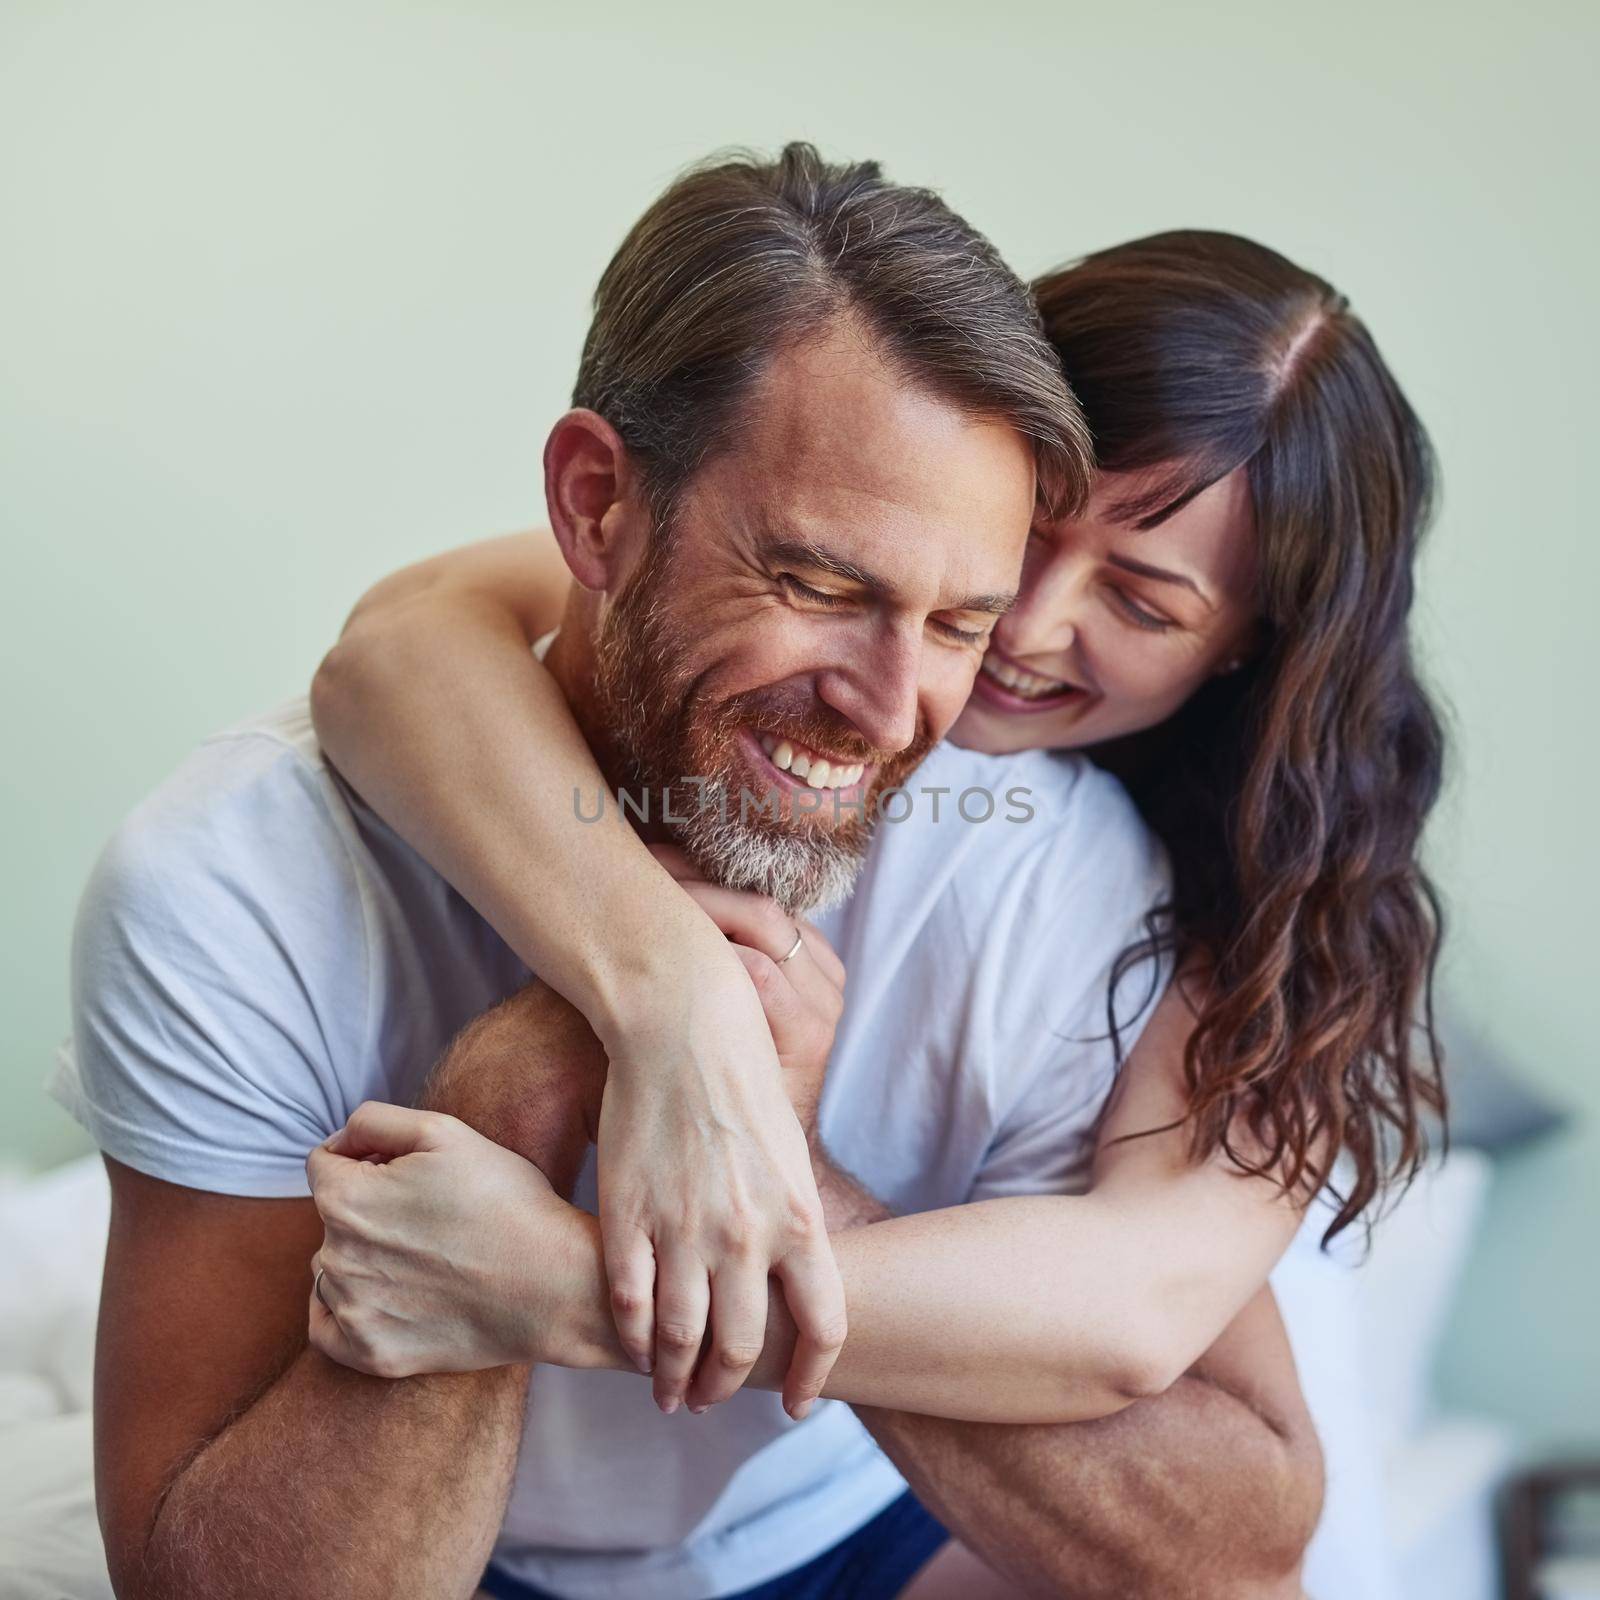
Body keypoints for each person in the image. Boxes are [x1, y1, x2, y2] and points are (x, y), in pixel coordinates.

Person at [302, 210, 1446, 1593]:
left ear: (1251, 649)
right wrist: (676, 1001)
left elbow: (1134, 1315)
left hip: (1069, 1328)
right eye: (1029, 535)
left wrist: (560, 1289)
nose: (1021, 629)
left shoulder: (1269, 913)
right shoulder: (835, 592)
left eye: (1140, 603)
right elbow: (403, 647)